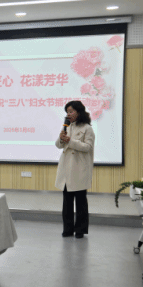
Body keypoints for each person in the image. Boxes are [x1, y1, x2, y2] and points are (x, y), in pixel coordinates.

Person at [55, 100, 95, 239]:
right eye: (67, 112)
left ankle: (80, 230)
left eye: (71, 111)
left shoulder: (87, 128)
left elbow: (88, 147)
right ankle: (67, 229)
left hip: (79, 169)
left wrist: (70, 141)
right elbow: (58, 145)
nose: (69, 114)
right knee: (67, 203)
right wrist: (61, 138)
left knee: (81, 202)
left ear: (79, 112)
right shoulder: (68, 126)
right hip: (67, 169)